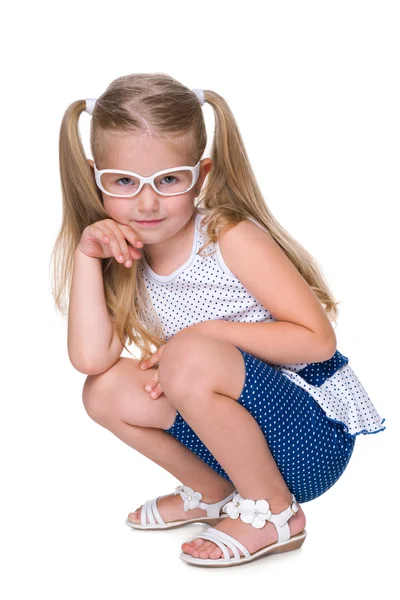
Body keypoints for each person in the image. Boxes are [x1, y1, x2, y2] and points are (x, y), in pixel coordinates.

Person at [51, 72, 386, 568]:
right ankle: (212, 491)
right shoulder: (123, 251)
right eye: (123, 182)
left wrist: (202, 334)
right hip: (229, 443)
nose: (146, 202)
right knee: (102, 390)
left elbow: (317, 341)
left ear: (200, 175)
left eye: (168, 180)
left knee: (188, 355)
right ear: (94, 176)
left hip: (308, 439)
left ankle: (275, 512)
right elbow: (89, 358)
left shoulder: (228, 236)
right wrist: (85, 254)